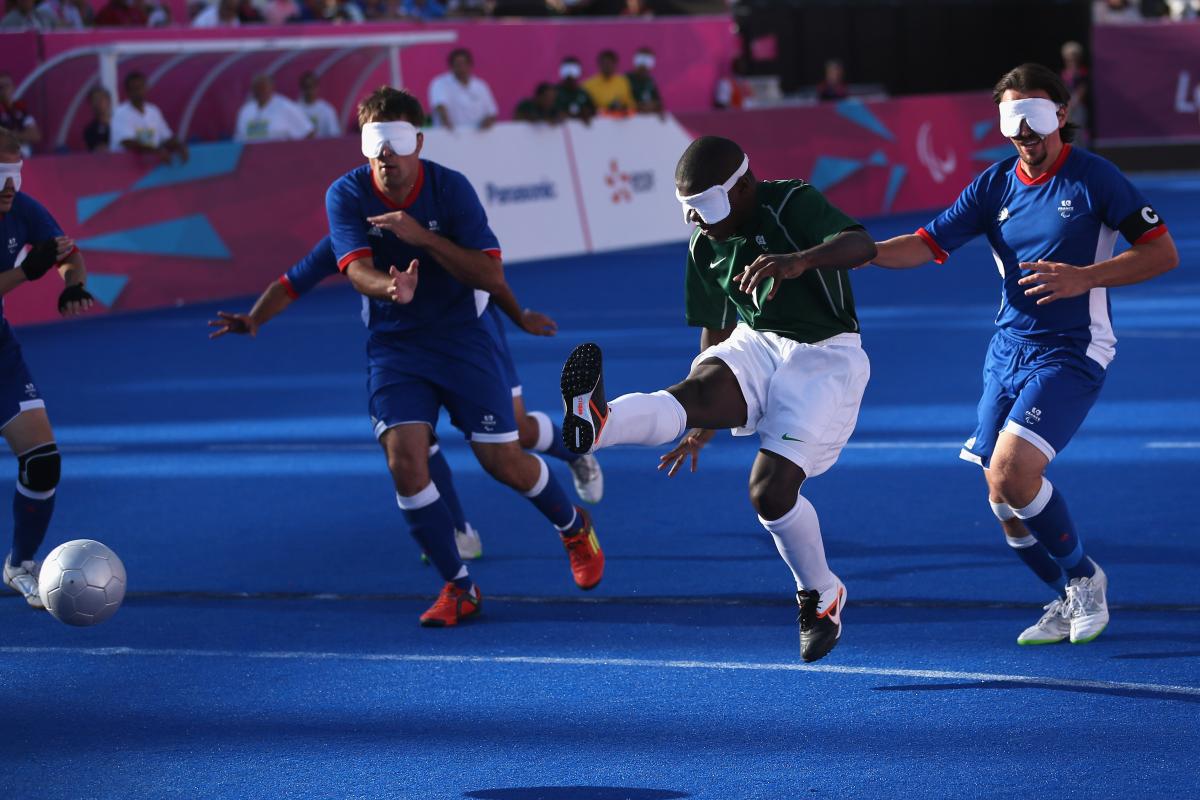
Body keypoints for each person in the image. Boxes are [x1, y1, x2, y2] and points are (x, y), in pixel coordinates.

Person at [869, 63, 1179, 646]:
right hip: (1007, 349)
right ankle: (1063, 596)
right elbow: (926, 244)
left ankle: (1086, 579)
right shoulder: (994, 185)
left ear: (1061, 115)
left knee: (1015, 473)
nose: (1025, 133)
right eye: (1013, 119)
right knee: (1001, 497)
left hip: (1073, 347)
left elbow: (1162, 254)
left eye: (1036, 116)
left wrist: (1084, 277)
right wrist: (858, 252)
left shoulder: (1095, 178)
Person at [559, 136, 875, 663]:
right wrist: (703, 416)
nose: (697, 222)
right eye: (688, 210)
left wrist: (798, 262)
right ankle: (598, 424)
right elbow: (716, 330)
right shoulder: (704, 242)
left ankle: (822, 595)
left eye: (704, 207)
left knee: (769, 494)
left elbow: (861, 245)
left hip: (825, 356)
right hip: (756, 340)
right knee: (691, 393)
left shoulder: (791, 202)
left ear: (744, 187)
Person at [324, 87, 605, 626]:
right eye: (375, 144)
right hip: (396, 346)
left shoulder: (451, 190)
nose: (386, 155)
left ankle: (573, 527)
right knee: (404, 459)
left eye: (398, 142)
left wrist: (421, 240)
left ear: (419, 143)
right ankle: (459, 587)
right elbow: (352, 268)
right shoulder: (346, 194)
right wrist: (388, 289)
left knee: (503, 459)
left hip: (462, 338)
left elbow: (489, 274)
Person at [206, 236, 605, 529]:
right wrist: (256, 318)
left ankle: (575, 455)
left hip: (469, 340)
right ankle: (458, 531)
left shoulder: (432, 221)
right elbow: (294, 281)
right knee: (412, 437)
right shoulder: (349, 235)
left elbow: (488, 274)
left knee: (514, 433)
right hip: (405, 352)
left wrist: (519, 315)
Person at [0, 128, 95, 609]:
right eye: (0, 175)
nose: (9, 186)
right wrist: (26, 271)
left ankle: (20, 563)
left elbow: (64, 252)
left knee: (42, 461)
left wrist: (71, 282)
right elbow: (28, 268)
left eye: (14, 173)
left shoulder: (22, 209)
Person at [110, 72, 189, 163]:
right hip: (126, 168)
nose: (138, 92)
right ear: (128, 92)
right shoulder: (120, 113)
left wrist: (179, 146)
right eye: (134, 89)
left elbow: (167, 137)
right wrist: (156, 151)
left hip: (150, 167)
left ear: (146, 88)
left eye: (141, 87)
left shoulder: (154, 111)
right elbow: (128, 143)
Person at [427, 49, 498, 132]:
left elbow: (491, 112)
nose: (461, 68)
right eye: (458, 65)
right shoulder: (440, 83)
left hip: (479, 137)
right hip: (450, 136)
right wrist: (447, 124)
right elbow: (440, 106)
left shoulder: (481, 86)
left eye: (464, 64)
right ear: (451, 66)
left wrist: (486, 123)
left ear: (470, 65)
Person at [235, 75, 314, 143]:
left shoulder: (285, 107)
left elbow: (308, 133)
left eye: (263, 87)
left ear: (271, 87)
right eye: (257, 88)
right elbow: (238, 140)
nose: (260, 91)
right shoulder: (246, 111)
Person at [582, 50, 635, 116]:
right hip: (598, 122)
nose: (607, 66)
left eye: (610, 63)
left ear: (615, 64)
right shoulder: (588, 85)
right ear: (599, 64)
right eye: (604, 63)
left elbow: (631, 106)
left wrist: (622, 107)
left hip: (619, 122)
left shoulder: (623, 82)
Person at [0, 73, 41, 158]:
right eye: (0, 87)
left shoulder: (21, 111)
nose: (3, 90)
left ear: (13, 87)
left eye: (6, 86)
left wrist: (11, 136)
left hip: (23, 158)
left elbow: (35, 135)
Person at [1060, 41, 1089, 146]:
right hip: (1066, 107)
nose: (1071, 59)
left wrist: (1074, 101)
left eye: (1074, 56)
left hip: (1078, 107)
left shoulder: (1082, 72)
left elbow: (1083, 89)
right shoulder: (1064, 73)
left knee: (1078, 133)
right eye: (1069, 56)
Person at [296, 71, 341, 139]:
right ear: (301, 88)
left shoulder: (327, 110)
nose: (309, 90)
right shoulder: (295, 109)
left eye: (312, 86)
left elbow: (334, 135)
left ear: (317, 87)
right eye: (306, 87)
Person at [553, 57, 595, 123]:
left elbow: (593, 111)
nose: (570, 75)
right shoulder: (554, 92)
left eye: (574, 71)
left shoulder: (583, 93)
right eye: (566, 71)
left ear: (579, 72)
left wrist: (586, 113)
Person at [626, 47, 663, 115]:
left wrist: (651, 106)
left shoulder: (650, 82)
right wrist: (639, 106)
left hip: (646, 121)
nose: (643, 67)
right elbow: (624, 102)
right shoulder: (626, 79)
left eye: (647, 63)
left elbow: (659, 103)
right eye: (641, 63)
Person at [82, 87, 112, 153]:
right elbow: (100, 150)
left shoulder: (121, 122)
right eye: (95, 99)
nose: (98, 103)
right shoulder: (89, 130)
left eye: (101, 99)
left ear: (108, 101)